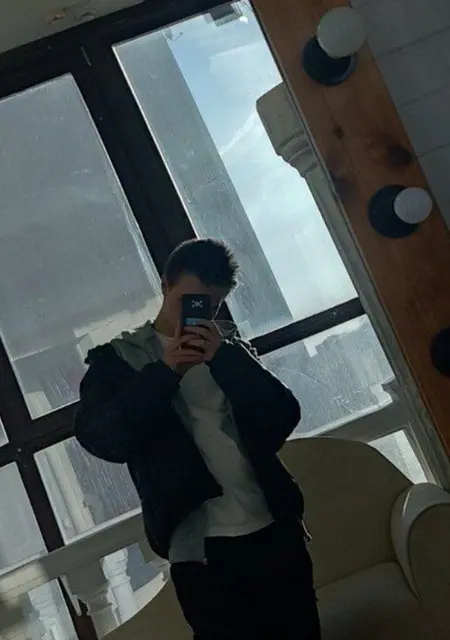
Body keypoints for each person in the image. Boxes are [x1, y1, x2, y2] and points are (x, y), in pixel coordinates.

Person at [75, 239, 320, 639]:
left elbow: (282, 417)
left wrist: (225, 359)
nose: (198, 315)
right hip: (201, 552)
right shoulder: (116, 363)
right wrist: (165, 372)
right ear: (166, 285)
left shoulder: (227, 352)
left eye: (211, 306)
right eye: (188, 302)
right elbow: (104, 439)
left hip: (275, 531)